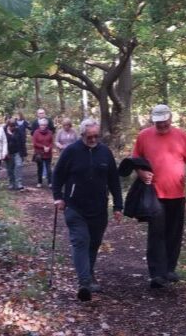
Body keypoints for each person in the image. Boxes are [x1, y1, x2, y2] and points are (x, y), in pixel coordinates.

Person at [132, 104, 186, 288]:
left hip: (177, 192)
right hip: (154, 192)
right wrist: (140, 172)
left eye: (164, 122)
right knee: (157, 232)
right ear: (153, 121)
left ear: (170, 118)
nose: (162, 126)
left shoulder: (182, 135)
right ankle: (156, 273)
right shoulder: (144, 136)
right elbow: (135, 159)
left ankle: (169, 268)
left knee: (174, 232)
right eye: (158, 123)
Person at [52, 118, 123, 301]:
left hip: (99, 208)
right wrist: (58, 197)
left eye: (96, 136)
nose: (93, 139)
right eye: (89, 136)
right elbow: (58, 175)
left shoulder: (105, 153)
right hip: (75, 207)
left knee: (94, 243)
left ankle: (89, 274)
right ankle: (84, 283)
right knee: (80, 241)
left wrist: (118, 206)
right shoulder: (71, 152)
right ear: (82, 134)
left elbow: (114, 180)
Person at [4, 118, 27, 190]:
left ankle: (19, 183)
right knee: (10, 168)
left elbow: (23, 142)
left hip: (17, 151)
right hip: (8, 152)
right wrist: (3, 152)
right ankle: (11, 183)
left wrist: (24, 154)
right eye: (11, 126)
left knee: (19, 165)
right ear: (8, 125)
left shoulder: (18, 130)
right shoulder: (4, 131)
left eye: (14, 126)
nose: (13, 128)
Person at [32, 118, 54, 187]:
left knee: (48, 169)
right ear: (39, 125)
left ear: (46, 125)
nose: (43, 126)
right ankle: (39, 182)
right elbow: (35, 143)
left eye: (44, 125)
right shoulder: (36, 132)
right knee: (40, 168)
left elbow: (52, 142)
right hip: (39, 153)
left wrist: (49, 148)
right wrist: (43, 147)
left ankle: (50, 182)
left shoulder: (50, 132)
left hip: (48, 153)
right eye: (41, 125)